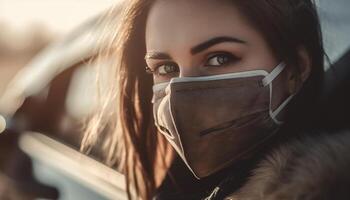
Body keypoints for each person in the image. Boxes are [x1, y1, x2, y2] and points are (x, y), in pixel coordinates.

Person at [81, 0, 350, 199]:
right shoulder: (172, 184)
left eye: (219, 58)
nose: (180, 92)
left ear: (296, 69)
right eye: (165, 68)